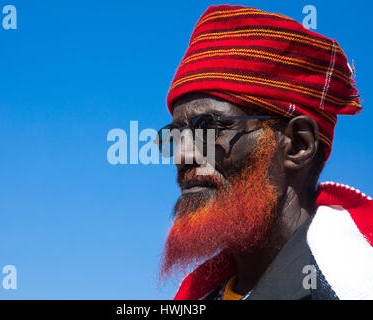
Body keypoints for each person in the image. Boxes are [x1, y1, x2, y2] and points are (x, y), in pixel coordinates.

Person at [158, 5, 373, 300]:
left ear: (298, 145)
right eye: (176, 134)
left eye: (207, 128)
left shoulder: (354, 284)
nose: (182, 155)